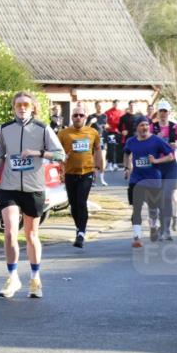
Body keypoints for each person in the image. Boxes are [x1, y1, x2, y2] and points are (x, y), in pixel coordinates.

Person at [0, 92, 65, 298]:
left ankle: (35, 278)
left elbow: (60, 155)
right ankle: (13, 277)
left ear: (33, 107)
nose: (22, 108)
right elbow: (0, 153)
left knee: (31, 235)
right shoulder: (5, 129)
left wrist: (37, 153)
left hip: (33, 188)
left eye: (26, 104)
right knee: (9, 232)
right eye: (18, 105)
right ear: (13, 107)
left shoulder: (43, 129)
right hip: (9, 186)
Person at [124, 116, 174, 247]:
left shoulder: (156, 140)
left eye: (147, 124)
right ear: (136, 128)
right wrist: (126, 168)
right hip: (136, 179)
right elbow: (126, 153)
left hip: (153, 179)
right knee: (137, 208)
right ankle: (137, 237)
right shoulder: (131, 141)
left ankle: (153, 226)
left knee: (153, 208)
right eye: (142, 125)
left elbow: (170, 156)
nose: (145, 127)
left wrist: (156, 161)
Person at [59, 105, 104, 248]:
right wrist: (61, 164)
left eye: (81, 115)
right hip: (70, 173)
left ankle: (81, 233)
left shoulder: (92, 132)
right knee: (73, 204)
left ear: (85, 117)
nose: (78, 118)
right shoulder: (63, 133)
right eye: (75, 115)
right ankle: (79, 228)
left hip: (87, 172)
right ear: (71, 117)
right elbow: (56, 152)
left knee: (81, 202)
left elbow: (97, 150)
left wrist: (98, 167)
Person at [151, 101, 177, 238]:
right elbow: (145, 142)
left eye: (165, 111)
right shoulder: (152, 127)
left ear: (169, 113)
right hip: (157, 165)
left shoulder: (174, 127)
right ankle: (161, 227)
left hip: (172, 165)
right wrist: (155, 139)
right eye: (161, 111)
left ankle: (166, 229)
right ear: (158, 113)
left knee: (168, 196)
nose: (163, 114)